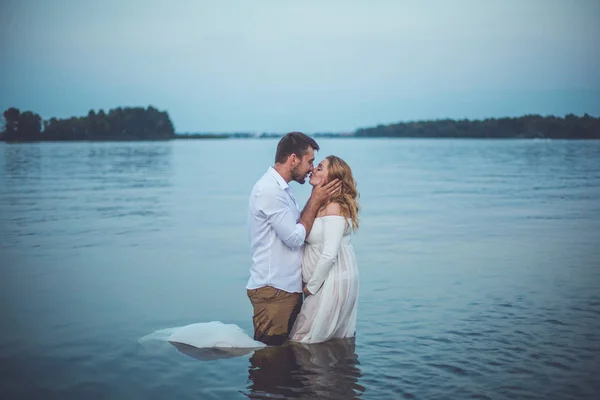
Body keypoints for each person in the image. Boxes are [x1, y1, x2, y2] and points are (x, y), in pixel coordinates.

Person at [247, 132, 342, 346]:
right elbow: (295, 238)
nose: (311, 168)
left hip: (287, 289)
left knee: (286, 361)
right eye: (309, 162)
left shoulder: (283, 189)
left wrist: (314, 199)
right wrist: (316, 200)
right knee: (269, 362)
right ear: (293, 159)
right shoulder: (270, 191)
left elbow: (298, 224)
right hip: (273, 292)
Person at [289, 155, 360, 344]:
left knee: (303, 337)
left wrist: (311, 288)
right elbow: (300, 227)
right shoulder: (321, 204)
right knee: (313, 337)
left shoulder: (334, 208)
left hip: (328, 281)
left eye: (319, 168)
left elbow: (330, 253)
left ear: (332, 179)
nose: (313, 169)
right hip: (321, 281)